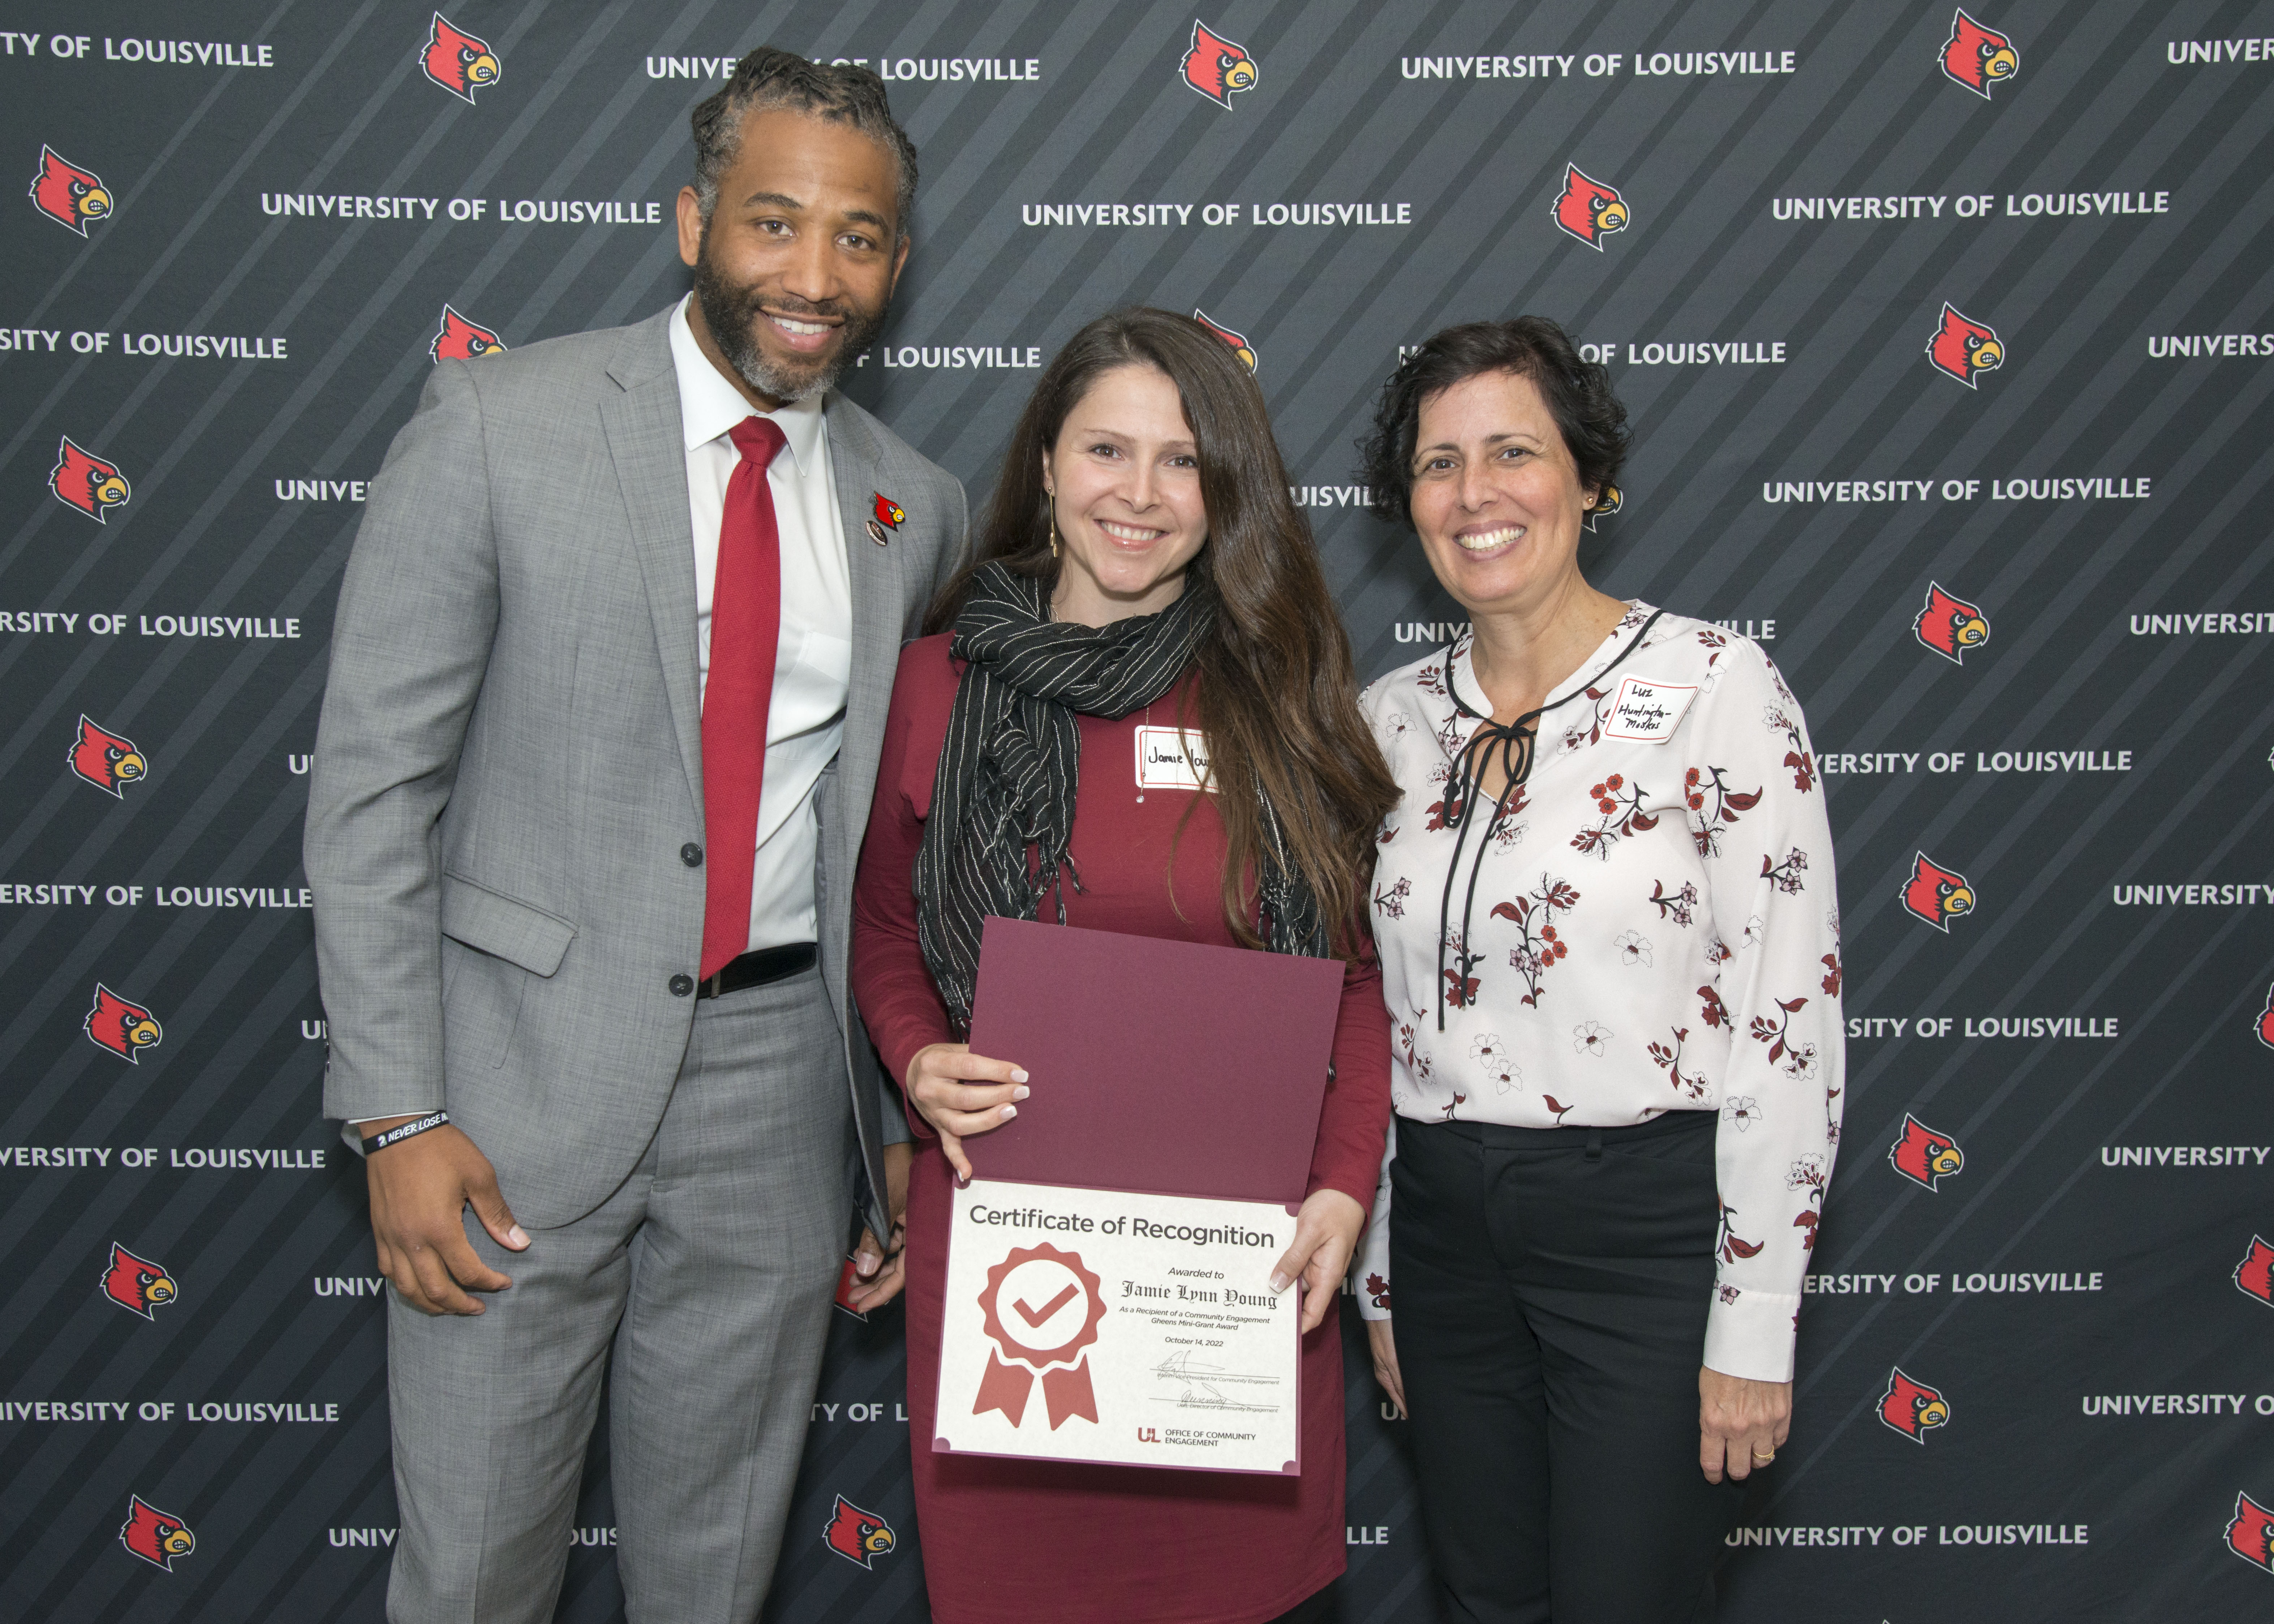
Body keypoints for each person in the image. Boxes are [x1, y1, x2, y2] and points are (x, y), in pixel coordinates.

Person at [303, 49, 963, 1623]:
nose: (813, 277)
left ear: (895, 261)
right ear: (691, 221)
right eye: (773, 222)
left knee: (713, 1576)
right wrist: (396, 1111)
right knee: (471, 1573)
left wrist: (874, 1118)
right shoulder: (494, 422)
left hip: (775, 1116)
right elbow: (372, 788)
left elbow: (878, 838)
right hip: (509, 1092)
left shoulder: (910, 502)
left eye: (858, 237)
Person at [848, 307, 1398, 1624]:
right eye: (1106, 450)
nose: (1139, 496)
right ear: (1045, 464)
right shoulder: (929, 684)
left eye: (1182, 461)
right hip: (1012, 1260)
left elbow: (1356, 981)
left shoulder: (1282, 692)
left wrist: (1339, 1191)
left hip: (1234, 1277)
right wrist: (919, 1058)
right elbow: (882, 931)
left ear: (1226, 492)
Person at [1352, 317, 1844, 1622]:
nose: (1475, 495)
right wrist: (1385, 1274)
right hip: (1448, 1232)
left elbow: (1789, 1020)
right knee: (1487, 1598)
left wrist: (1754, 1320)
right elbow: (1377, 1025)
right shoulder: (1383, 721)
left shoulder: (1716, 687)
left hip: (1649, 1233)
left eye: (1513, 452)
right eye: (1438, 463)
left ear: (1588, 478)